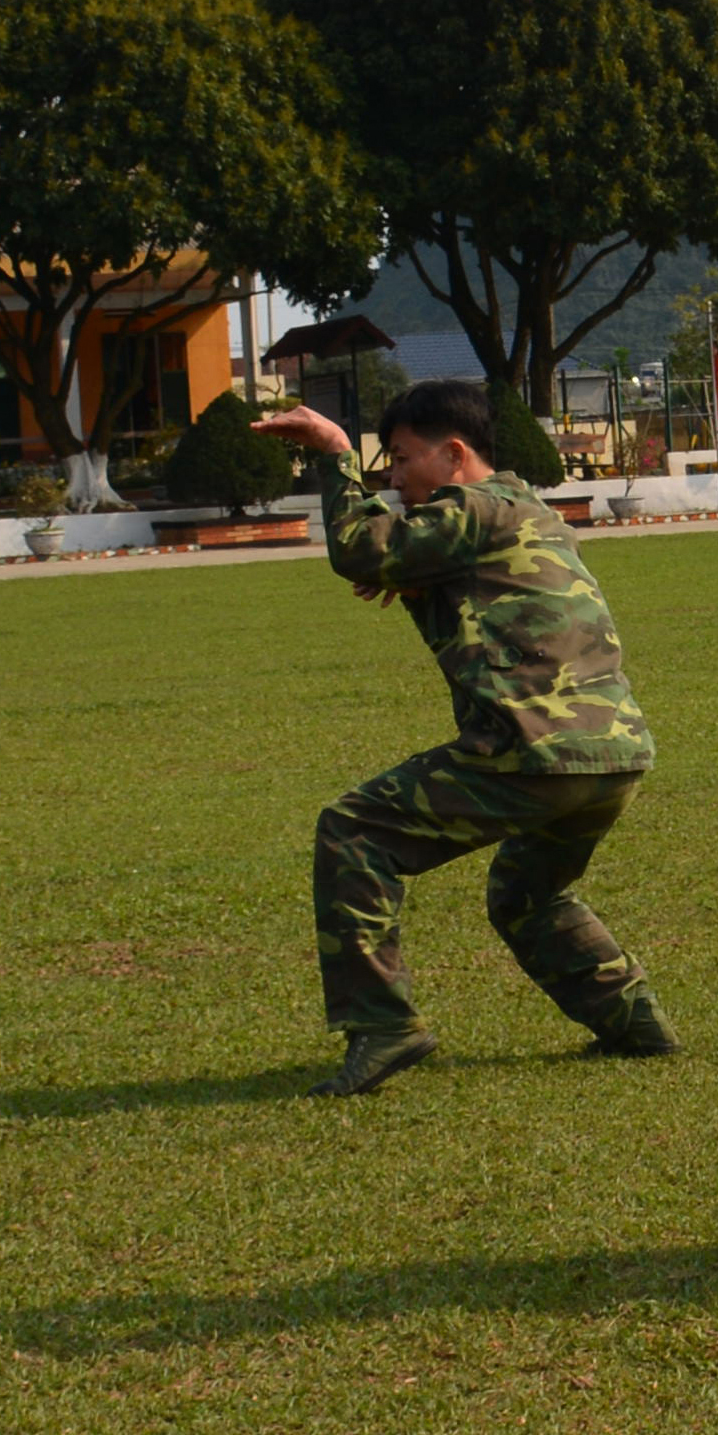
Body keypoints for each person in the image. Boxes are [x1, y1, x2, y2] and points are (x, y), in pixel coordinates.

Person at [253, 381, 671, 1097]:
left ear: (454, 453)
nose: (391, 474)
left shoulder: (471, 507)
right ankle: (635, 1023)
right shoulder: (519, 507)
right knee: (527, 895)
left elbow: (360, 547)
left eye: (403, 457)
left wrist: (334, 452)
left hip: (535, 749)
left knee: (353, 831)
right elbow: (442, 571)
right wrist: (415, 575)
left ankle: (383, 1026)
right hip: (611, 753)